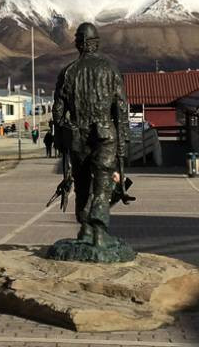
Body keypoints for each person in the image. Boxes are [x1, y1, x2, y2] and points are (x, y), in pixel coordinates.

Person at [52, 22, 131, 251]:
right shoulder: (110, 69)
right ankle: (96, 231)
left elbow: (58, 111)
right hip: (105, 134)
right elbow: (121, 108)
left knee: (83, 183)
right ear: (96, 43)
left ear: (78, 44)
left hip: (77, 135)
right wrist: (124, 142)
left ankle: (88, 229)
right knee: (102, 182)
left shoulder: (68, 72)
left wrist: (64, 135)